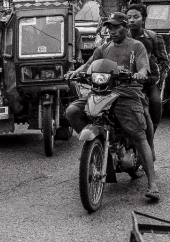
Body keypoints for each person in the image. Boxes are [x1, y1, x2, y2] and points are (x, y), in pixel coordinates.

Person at [65, 12, 160, 201]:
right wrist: (76, 72)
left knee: (138, 136)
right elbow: (89, 64)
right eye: (110, 28)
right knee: (72, 111)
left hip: (127, 93)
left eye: (117, 27)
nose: (113, 31)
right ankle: (96, 147)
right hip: (101, 91)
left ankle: (152, 184)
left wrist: (140, 73)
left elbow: (143, 67)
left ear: (125, 27)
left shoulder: (137, 46)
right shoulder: (103, 48)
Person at [126, 3, 167, 136]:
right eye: (129, 17)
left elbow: (164, 61)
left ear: (143, 19)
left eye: (136, 17)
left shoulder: (154, 37)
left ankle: (151, 133)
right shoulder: (121, 37)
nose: (132, 20)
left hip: (148, 80)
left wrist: (156, 75)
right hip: (125, 80)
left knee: (155, 102)